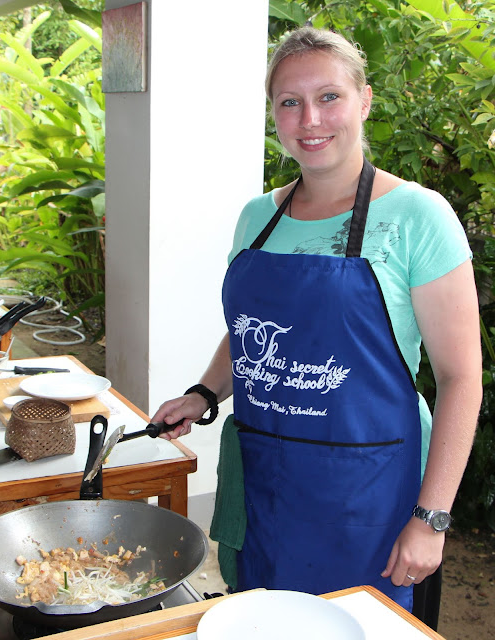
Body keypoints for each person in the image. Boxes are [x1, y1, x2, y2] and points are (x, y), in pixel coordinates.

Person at [151, 27, 482, 628]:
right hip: (265, 482)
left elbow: (463, 380)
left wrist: (431, 518)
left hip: (366, 494)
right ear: (273, 113)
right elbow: (252, 331)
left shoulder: (416, 216)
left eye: (329, 96)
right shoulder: (258, 216)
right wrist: (203, 392)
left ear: (365, 101)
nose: (310, 118)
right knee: (259, 619)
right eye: (289, 101)